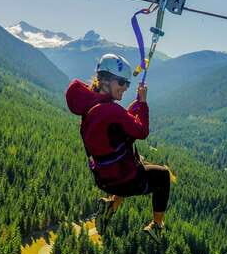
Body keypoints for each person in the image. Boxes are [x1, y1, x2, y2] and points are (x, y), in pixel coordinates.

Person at [65, 53, 171, 239]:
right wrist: (143, 103)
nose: (125, 87)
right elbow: (141, 131)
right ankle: (157, 225)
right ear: (105, 80)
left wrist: (137, 104)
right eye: (122, 82)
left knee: (136, 162)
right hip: (122, 181)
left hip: (103, 177)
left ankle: (110, 206)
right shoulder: (110, 110)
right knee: (162, 176)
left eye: (127, 83)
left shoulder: (92, 106)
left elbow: (121, 119)